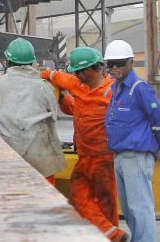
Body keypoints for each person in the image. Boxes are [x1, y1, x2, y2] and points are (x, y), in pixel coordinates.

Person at [42, 47, 126, 242]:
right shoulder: (78, 84)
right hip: (84, 155)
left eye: (80, 71)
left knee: (106, 201)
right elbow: (55, 76)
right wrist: (38, 75)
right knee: (78, 196)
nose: (77, 75)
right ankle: (113, 234)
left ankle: (111, 234)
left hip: (103, 157)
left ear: (91, 69)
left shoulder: (112, 93)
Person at [0, 38, 66, 184]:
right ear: (32, 62)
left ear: (8, 61)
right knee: (46, 200)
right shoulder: (44, 87)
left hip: (9, 155)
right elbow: (54, 115)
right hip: (41, 158)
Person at [105, 40, 159, 242]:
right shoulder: (116, 88)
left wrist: (158, 146)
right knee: (129, 209)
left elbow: (157, 117)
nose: (115, 68)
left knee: (140, 208)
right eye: (110, 64)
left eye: (119, 63)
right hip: (120, 156)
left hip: (136, 156)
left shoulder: (139, 88)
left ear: (130, 63)